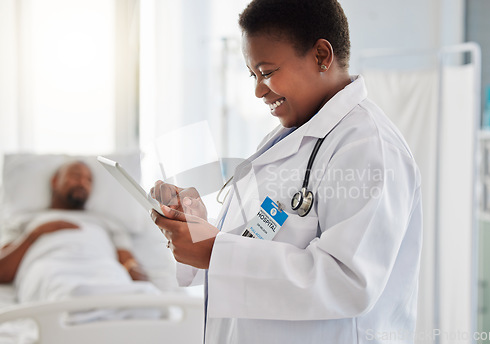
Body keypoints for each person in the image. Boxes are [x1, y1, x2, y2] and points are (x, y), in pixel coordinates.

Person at [150, 0, 422, 343]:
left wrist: (217, 252)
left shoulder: (369, 146)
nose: (258, 90)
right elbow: (262, 236)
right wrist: (202, 228)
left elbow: (349, 282)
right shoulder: (285, 137)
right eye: (253, 75)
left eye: (266, 72)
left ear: (321, 56)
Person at [0, 161, 149, 302]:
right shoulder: (26, 222)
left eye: (89, 180)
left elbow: (129, 263)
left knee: (122, 288)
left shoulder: (108, 223)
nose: (82, 183)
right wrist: (34, 235)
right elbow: (2, 272)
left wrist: (139, 279)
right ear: (54, 181)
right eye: (76, 175)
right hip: (49, 267)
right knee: (64, 293)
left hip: (102, 267)